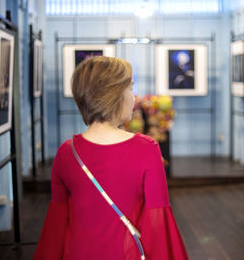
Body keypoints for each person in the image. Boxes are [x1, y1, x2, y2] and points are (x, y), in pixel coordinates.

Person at [34, 56, 188, 260]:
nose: (134, 97)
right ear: (115, 95)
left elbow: (57, 223)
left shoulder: (66, 153)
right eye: (130, 89)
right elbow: (157, 222)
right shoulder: (146, 149)